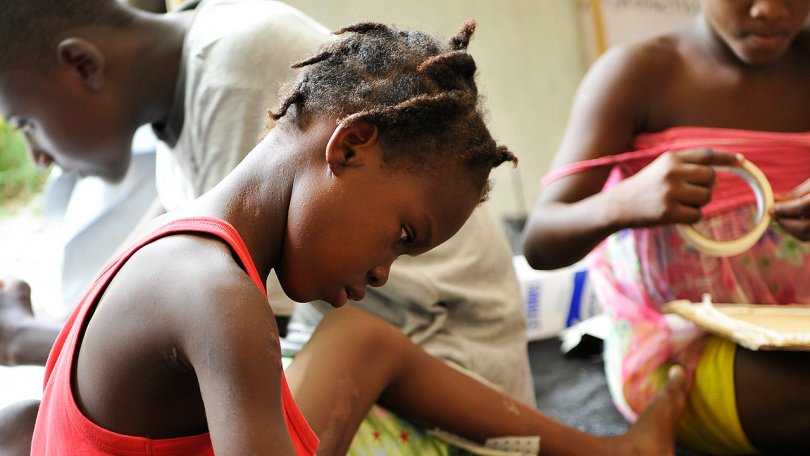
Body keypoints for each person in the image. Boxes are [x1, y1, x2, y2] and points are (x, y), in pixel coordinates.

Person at [26, 20, 689, 455]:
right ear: (350, 147)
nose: (383, 274)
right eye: (402, 235)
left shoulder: (179, 246)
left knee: (361, 336)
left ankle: (611, 450)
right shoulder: (219, 296)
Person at [0, 0, 533, 412]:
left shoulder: (233, 67)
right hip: (334, 353)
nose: (38, 156)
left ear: (81, 63)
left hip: (445, 368)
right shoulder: (188, 97)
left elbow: (232, 331)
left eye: (26, 123)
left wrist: (29, 338)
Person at [522, 0, 810, 453]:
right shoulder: (637, 75)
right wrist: (624, 202)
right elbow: (540, 239)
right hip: (680, 345)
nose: (769, 10)